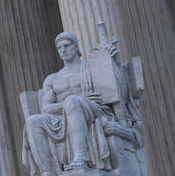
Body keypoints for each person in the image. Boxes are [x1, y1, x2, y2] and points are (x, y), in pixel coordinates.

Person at [22, 31, 144, 176]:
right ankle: (48, 171)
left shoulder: (92, 68)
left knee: (72, 101)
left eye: (66, 45)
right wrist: (71, 102)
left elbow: (120, 91)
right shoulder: (52, 79)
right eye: (60, 47)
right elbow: (46, 109)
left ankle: (81, 158)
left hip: (94, 110)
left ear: (76, 47)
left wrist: (114, 62)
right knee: (32, 121)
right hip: (62, 117)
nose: (63, 50)